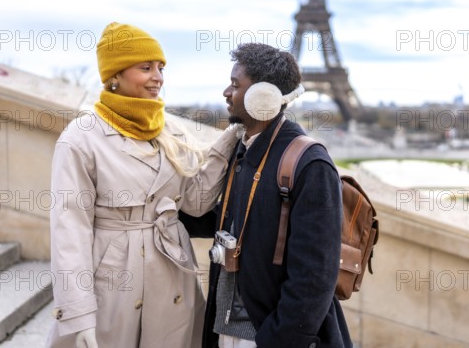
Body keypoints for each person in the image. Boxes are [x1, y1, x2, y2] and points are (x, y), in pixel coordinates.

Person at [46, 22, 239, 348]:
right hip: (112, 280)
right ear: (115, 76)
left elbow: (194, 202)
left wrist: (232, 135)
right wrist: (78, 316)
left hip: (171, 272)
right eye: (146, 67)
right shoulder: (81, 138)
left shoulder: (171, 131)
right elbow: (69, 231)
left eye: (161, 67)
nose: (158, 77)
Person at [198, 43, 352, 348]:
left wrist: (274, 340)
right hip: (226, 330)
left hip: (265, 336)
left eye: (235, 84)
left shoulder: (310, 163)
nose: (226, 93)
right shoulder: (243, 149)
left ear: (262, 96)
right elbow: (238, 218)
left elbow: (315, 276)